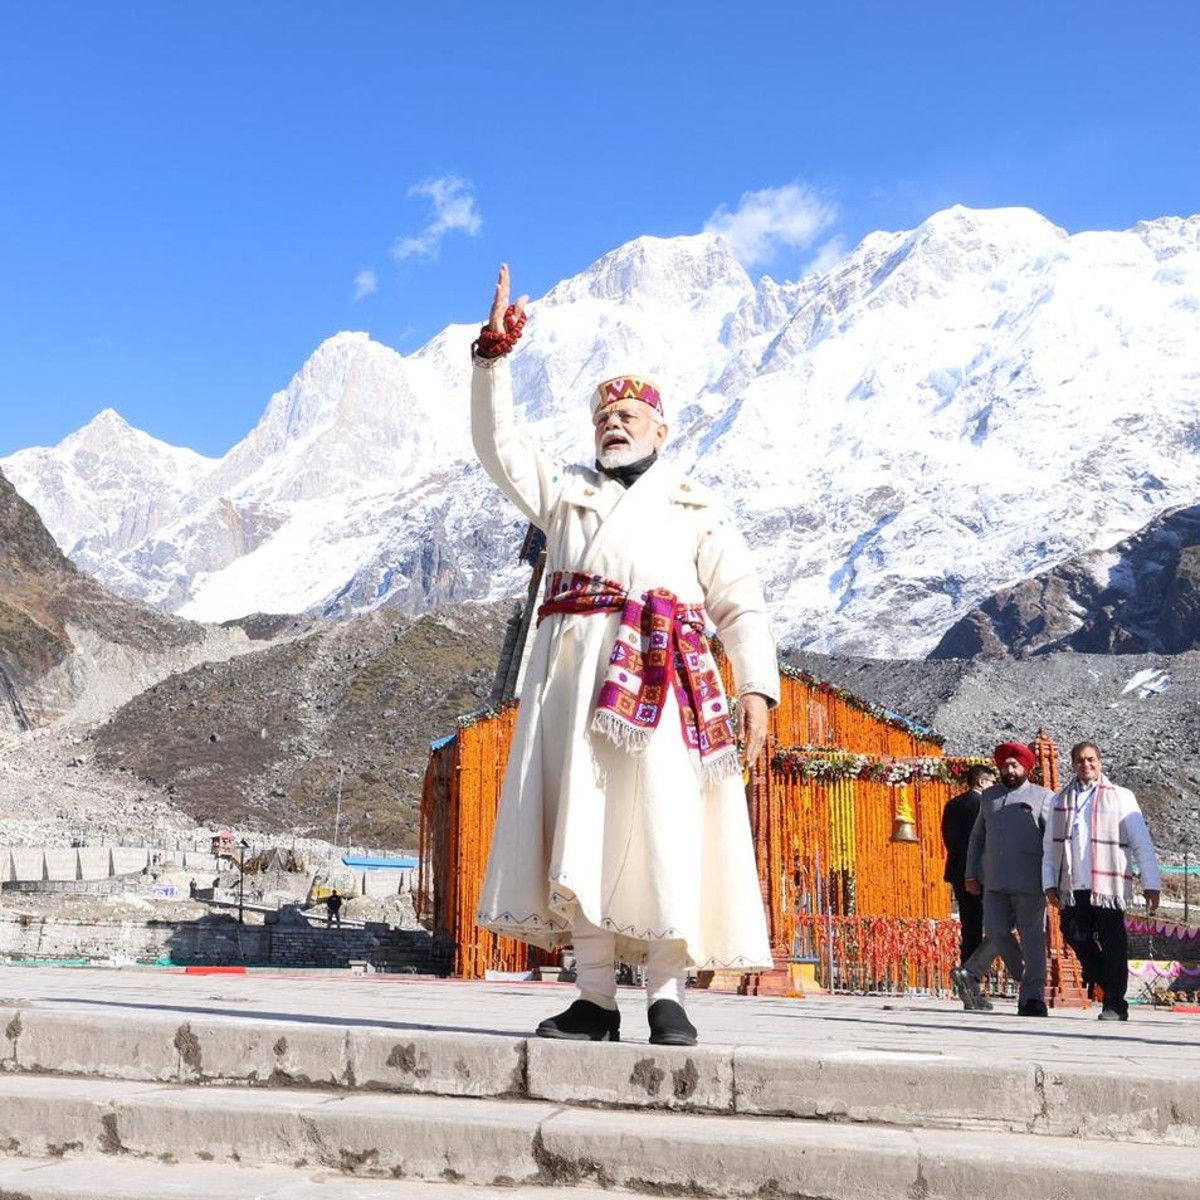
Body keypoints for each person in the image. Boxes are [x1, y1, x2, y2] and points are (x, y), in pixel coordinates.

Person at [470, 265, 779, 1047]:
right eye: (606, 414)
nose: (616, 422)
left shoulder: (698, 508)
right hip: (576, 692)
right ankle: (596, 999)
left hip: (668, 688)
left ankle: (669, 996)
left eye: (631, 414)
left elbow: (740, 602)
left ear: (661, 429)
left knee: (667, 826)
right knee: (587, 827)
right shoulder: (564, 493)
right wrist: (492, 360)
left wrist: (758, 691)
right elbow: (496, 444)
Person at [1043, 741, 1162, 1022]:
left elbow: (1141, 842)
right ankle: (1111, 988)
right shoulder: (1060, 801)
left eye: (1091, 759)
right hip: (1073, 885)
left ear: (1100, 761)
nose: (1086, 765)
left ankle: (1114, 1003)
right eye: (1080, 760)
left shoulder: (1121, 796)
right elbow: (1050, 847)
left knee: (1113, 942)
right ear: (1073, 764)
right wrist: (1049, 882)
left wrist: (1151, 882)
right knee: (1074, 935)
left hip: (1109, 885)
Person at [950, 742, 1052, 1016]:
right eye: (1005, 765)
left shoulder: (1043, 797)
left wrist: (1054, 880)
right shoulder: (989, 797)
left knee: (1033, 939)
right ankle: (1028, 980)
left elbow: (1052, 842)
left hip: (1031, 882)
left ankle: (1032, 998)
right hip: (994, 881)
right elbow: (977, 838)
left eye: (1015, 765)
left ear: (1026, 768)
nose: (1009, 769)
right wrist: (971, 873)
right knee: (995, 932)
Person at [941, 764, 997, 965]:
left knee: (970, 926)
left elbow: (948, 838)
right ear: (982, 782)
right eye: (992, 782)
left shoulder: (952, 805)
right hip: (984, 874)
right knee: (998, 927)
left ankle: (967, 972)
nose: (994, 786)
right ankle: (976, 969)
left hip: (959, 873)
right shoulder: (988, 805)